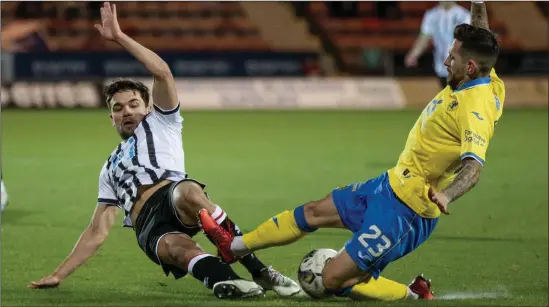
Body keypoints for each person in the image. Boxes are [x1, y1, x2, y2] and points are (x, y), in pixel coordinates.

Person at [201, 1, 503, 302]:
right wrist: (477, 3)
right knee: (313, 211)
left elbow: (473, 167)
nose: (446, 61)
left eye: (452, 57)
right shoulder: (485, 76)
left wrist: (447, 195)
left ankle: (413, 295)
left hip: (407, 212)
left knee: (332, 280)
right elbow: (481, 36)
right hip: (391, 184)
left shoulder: (475, 106)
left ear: (470, 66)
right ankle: (235, 246)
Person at [28, 2, 301, 300]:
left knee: (189, 192)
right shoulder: (109, 168)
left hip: (173, 197)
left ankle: (257, 267)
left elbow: (163, 73)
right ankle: (224, 280)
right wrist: (59, 273)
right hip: (147, 225)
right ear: (111, 119)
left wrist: (119, 37)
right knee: (178, 250)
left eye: (134, 104)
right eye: (118, 108)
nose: (127, 111)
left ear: (147, 108)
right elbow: (98, 229)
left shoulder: (163, 123)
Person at [405, 2, 471, 89]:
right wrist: (413, 54)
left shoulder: (464, 15)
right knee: (446, 96)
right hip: (441, 65)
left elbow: (470, 40)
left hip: (460, 65)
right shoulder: (431, 15)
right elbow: (424, 37)